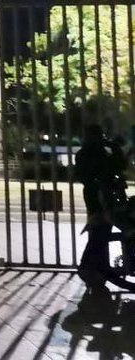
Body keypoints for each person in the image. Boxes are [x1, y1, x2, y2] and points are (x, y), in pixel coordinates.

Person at [76, 124, 129, 290]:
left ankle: (96, 268)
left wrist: (113, 148)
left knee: (101, 230)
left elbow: (120, 166)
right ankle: (90, 267)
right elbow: (118, 166)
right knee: (100, 230)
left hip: (102, 194)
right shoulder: (93, 154)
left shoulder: (93, 153)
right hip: (99, 195)